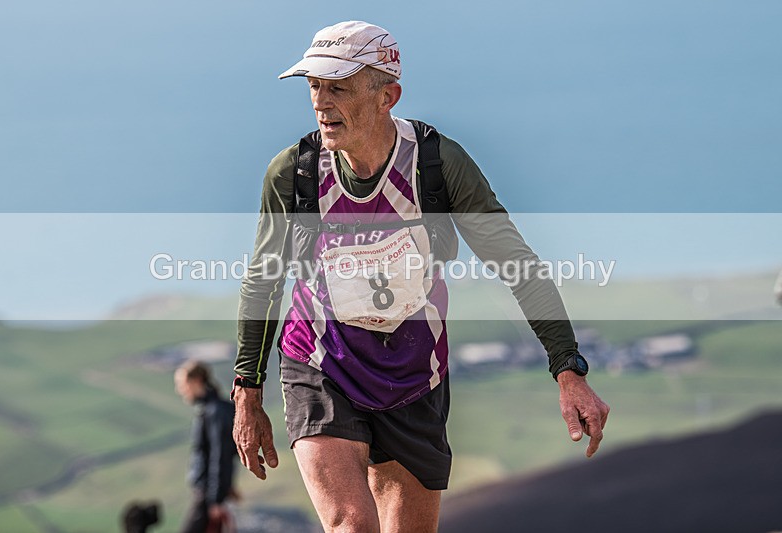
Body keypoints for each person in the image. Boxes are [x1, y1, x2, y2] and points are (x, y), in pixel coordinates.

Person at [232, 20, 610, 532]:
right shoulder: (294, 173)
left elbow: (517, 264)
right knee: (351, 523)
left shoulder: (436, 165)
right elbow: (263, 280)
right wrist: (246, 392)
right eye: (314, 87)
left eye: (338, 88)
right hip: (321, 361)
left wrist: (569, 369)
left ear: (388, 95)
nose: (321, 102)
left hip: (414, 372)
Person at [174, 360, 237, 533]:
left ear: (196, 381)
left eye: (182, 384)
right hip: (208, 493)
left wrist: (215, 500)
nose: (179, 390)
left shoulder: (214, 411)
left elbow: (220, 455)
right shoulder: (210, 409)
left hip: (207, 495)